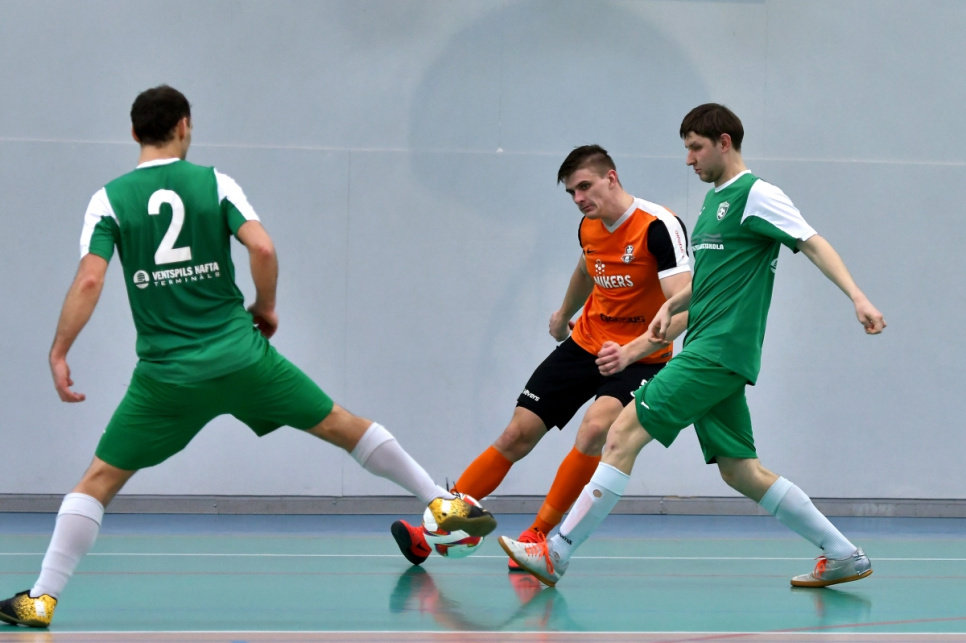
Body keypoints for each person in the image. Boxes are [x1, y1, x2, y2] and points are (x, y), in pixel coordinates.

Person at [0, 85, 495, 629]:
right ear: (184, 126)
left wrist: (59, 351)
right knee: (340, 424)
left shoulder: (108, 199)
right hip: (242, 357)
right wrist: (267, 306)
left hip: (167, 378)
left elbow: (90, 280)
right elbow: (262, 246)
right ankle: (439, 500)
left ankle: (42, 599)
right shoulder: (215, 183)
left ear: (135, 132)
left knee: (97, 481)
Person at [500, 103, 886, 589]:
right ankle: (843, 552)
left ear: (724, 142)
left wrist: (857, 297)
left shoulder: (757, 194)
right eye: (686, 148)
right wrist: (673, 304)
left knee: (622, 433)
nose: (689, 159)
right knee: (740, 470)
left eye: (696, 148)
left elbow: (812, 242)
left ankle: (556, 552)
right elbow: (710, 276)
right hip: (706, 346)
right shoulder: (711, 203)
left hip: (719, 350)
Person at [391, 145, 691, 569]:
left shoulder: (658, 227)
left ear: (611, 177)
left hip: (641, 357)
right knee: (517, 433)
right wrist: (564, 313)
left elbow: (684, 306)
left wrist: (631, 351)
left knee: (594, 429)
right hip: (586, 343)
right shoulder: (589, 226)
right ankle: (437, 529)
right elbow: (587, 269)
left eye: (584, 186)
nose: (579, 199)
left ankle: (537, 537)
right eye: (571, 192)